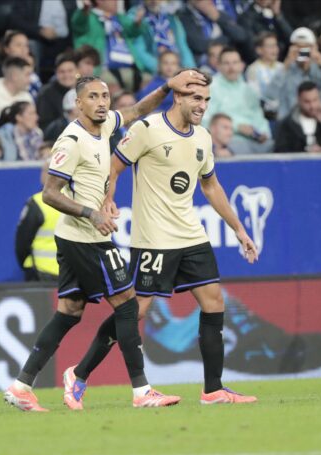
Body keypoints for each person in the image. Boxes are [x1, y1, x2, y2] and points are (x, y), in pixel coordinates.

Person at [2, 69, 207, 412]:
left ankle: (21, 386)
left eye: (105, 96)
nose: (101, 103)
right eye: (93, 97)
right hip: (85, 239)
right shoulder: (71, 140)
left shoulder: (106, 124)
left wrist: (166, 87)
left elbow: (137, 110)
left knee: (69, 313)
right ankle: (142, 391)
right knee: (128, 305)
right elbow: (50, 193)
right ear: (78, 103)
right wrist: (92, 214)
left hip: (76, 237)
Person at [63, 69, 259, 410]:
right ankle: (79, 374)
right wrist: (107, 199)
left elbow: (211, 186)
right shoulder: (147, 129)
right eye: (195, 97)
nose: (202, 105)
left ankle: (213, 389)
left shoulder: (202, 138)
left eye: (206, 100)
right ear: (178, 97)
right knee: (135, 311)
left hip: (191, 234)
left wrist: (239, 229)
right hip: (154, 239)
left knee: (214, 302)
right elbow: (114, 167)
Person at [265, 27, 321, 120]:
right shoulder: (285, 70)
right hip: (291, 122)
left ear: (314, 48)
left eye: (306, 48)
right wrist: (286, 65)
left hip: (316, 120)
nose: (303, 52)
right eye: (299, 47)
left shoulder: (320, 69)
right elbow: (270, 95)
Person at [204, 47, 272, 154]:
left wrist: (263, 133)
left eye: (235, 63)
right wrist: (236, 127)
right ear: (219, 66)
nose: (231, 67)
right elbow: (206, 120)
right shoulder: (211, 89)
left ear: (242, 65)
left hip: (255, 139)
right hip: (230, 138)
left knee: (272, 145)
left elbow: (258, 116)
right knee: (236, 146)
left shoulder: (249, 90)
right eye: (226, 63)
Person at [16, 159, 60, 282]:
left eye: (44, 171)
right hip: (69, 275)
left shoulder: (37, 203)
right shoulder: (75, 203)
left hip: (40, 274)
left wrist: (27, 267)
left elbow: (22, 242)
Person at [274, 81, 321, 153]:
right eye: (307, 102)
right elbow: (281, 152)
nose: (312, 106)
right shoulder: (287, 125)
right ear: (299, 100)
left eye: (315, 100)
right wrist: (305, 152)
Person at [37, 52, 77, 131]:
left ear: (77, 71)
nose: (66, 75)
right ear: (56, 73)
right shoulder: (46, 94)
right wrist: (68, 118)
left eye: (70, 71)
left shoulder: (83, 90)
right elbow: (45, 128)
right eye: (62, 72)